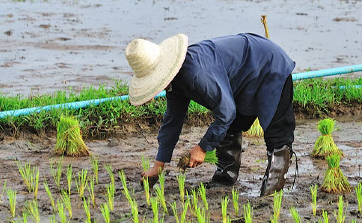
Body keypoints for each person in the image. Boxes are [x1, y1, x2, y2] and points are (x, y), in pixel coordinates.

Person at [125, 33, 296, 196]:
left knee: (277, 134)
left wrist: (202, 148)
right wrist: (158, 165)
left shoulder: (197, 75)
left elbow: (226, 113)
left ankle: (272, 193)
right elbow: (172, 120)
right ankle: (225, 178)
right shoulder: (176, 81)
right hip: (242, 76)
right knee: (230, 124)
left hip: (269, 65)